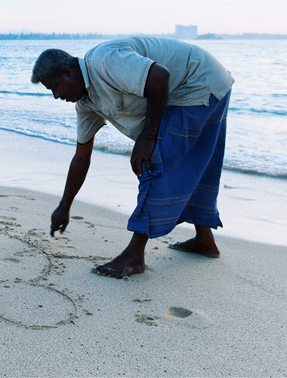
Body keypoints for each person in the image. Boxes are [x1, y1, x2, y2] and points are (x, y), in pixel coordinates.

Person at [31, 37, 234, 279]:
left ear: (68, 72)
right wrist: (64, 206)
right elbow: (81, 157)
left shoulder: (104, 61)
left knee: (154, 162)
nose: (55, 96)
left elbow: (159, 76)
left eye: (54, 87)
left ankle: (134, 255)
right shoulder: (86, 104)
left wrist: (148, 138)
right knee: (195, 163)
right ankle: (204, 240)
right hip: (205, 83)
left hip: (199, 80)